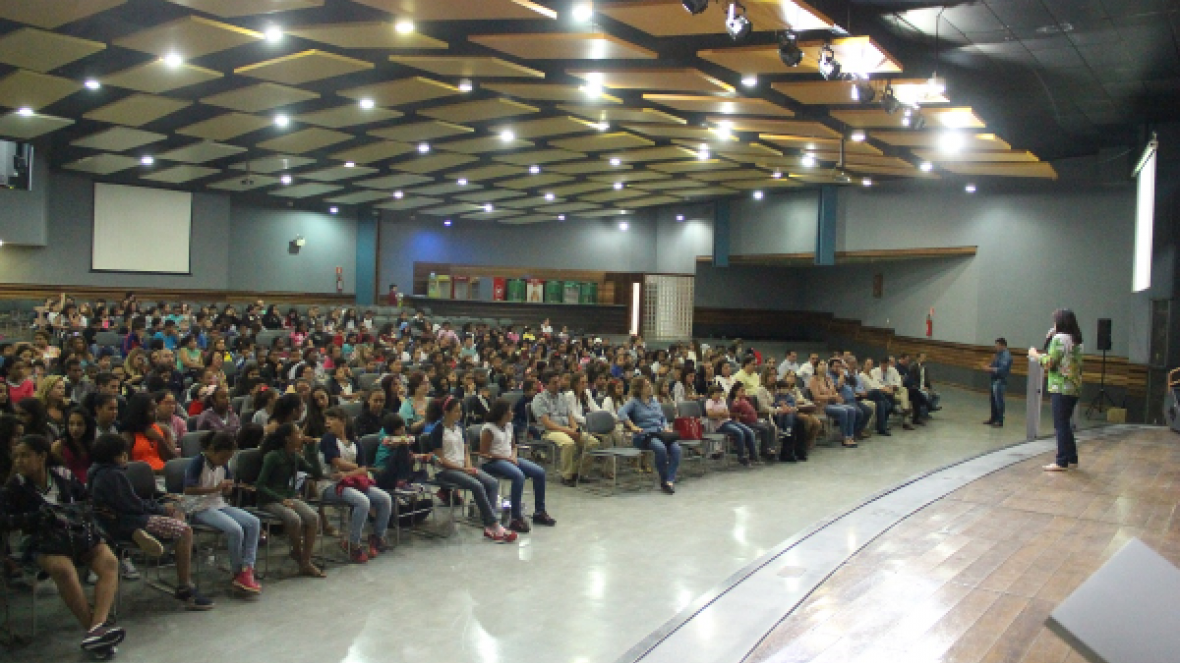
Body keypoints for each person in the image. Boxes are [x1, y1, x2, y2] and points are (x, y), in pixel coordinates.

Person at [0, 435, 126, 657]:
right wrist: (38, 517)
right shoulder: (14, 487)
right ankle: (95, 631)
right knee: (63, 570)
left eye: (25, 456)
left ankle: (96, 629)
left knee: (109, 562)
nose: (18, 461)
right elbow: (5, 521)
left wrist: (77, 512)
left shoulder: (63, 475)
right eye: (16, 456)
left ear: (42, 457)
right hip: (41, 541)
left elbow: (86, 499)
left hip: (77, 534)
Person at [87, 433, 214, 611]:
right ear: (117, 456)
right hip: (130, 521)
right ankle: (185, 587)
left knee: (175, 515)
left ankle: (140, 535)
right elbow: (133, 505)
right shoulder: (114, 476)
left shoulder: (96, 472)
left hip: (111, 524)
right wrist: (162, 509)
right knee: (185, 531)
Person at [428, 396, 517, 543]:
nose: (460, 414)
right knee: (477, 485)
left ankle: (490, 523)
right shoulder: (438, 430)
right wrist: (463, 470)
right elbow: (440, 459)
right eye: (456, 411)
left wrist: (468, 467)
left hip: (463, 468)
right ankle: (494, 525)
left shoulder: (460, 428)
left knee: (492, 482)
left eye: (460, 411)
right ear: (446, 412)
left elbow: (466, 452)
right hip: (445, 471)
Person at [182, 431, 262, 595]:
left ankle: (248, 568)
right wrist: (215, 488)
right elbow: (188, 489)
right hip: (199, 507)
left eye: (228, 458)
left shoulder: (223, 464)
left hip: (217, 503)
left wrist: (227, 489)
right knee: (235, 530)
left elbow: (226, 491)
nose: (225, 461)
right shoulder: (197, 462)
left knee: (254, 522)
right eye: (223, 457)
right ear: (212, 450)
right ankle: (237, 571)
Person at [317, 407, 393, 563]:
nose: (327, 423)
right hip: (329, 485)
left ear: (343, 421)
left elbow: (364, 469)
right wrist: (356, 468)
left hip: (352, 482)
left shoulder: (355, 441)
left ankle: (377, 537)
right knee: (362, 501)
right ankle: (353, 543)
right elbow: (337, 463)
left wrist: (348, 474)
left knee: (385, 498)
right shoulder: (328, 439)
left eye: (331, 419)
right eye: (326, 420)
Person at [255, 423, 324, 577]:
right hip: (269, 499)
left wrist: (312, 450)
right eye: (298, 433)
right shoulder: (273, 457)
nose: (301, 436)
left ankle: (306, 561)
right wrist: (280, 499)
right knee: (294, 519)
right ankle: (298, 553)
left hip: (287, 497)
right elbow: (260, 485)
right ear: (288, 438)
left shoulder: (295, 457)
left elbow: (317, 474)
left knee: (313, 517)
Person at [479, 398, 555, 533]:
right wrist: (506, 458)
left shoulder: (509, 426)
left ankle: (539, 511)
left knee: (539, 472)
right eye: (510, 411)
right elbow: (484, 453)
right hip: (492, 462)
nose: (512, 413)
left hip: (509, 458)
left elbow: (513, 446)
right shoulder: (488, 429)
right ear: (502, 413)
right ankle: (515, 517)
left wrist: (513, 456)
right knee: (518, 476)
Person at [1029, 309, 1084, 472]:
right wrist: (1049, 339)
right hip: (1074, 387)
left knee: (1060, 424)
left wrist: (1035, 354)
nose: (1053, 324)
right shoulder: (1077, 340)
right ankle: (1072, 458)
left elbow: (1050, 362)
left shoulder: (1060, 339)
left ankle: (1061, 461)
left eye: (1055, 321)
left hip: (1060, 387)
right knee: (1065, 423)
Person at [532, 371, 599, 487]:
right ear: (545, 385)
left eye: (558, 382)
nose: (558, 385)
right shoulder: (539, 399)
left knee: (592, 442)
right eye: (554, 383)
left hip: (567, 428)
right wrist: (568, 431)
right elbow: (548, 423)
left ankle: (578, 472)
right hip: (550, 431)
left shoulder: (562, 397)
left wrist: (576, 429)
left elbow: (570, 416)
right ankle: (566, 476)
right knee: (568, 444)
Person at [618, 376, 681, 494]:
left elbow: (662, 418)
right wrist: (632, 426)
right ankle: (664, 480)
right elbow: (621, 412)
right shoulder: (634, 402)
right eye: (646, 386)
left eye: (650, 385)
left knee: (676, 449)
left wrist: (666, 427)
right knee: (660, 448)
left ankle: (670, 480)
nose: (650, 387)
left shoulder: (654, 401)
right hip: (644, 435)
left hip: (660, 432)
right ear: (640, 389)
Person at [809, 360, 860, 449]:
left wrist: (837, 396)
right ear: (816, 367)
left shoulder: (828, 379)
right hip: (822, 405)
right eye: (821, 364)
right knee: (843, 411)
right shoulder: (814, 380)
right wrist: (831, 397)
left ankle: (850, 436)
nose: (823, 366)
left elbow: (834, 391)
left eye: (824, 364)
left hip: (833, 403)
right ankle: (844, 437)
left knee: (851, 409)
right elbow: (816, 396)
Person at [704, 385, 756, 466]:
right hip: (719, 425)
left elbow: (727, 414)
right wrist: (721, 413)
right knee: (739, 432)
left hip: (728, 421)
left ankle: (753, 456)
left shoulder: (722, 400)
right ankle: (741, 457)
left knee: (749, 431)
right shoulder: (709, 402)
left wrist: (719, 414)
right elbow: (710, 414)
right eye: (716, 393)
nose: (718, 395)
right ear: (711, 394)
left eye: (719, 393)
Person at [53, 407, 95, 484]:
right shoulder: (59, 446)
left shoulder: (93, 445)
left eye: (80, 424)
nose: (75, 428)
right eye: (71, 424)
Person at [984, 338, 1012, 427]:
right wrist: (989, 366)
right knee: (993, 400)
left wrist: (990, 369)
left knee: (999, 401)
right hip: (994, 379)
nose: (996, 347)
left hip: (1000, 381)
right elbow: (994, 364)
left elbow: (1003, 369)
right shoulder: (998, 354)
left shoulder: (1006, 356)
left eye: (997, 345)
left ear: (1002, 345)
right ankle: (993, 418)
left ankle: (1000, 420)